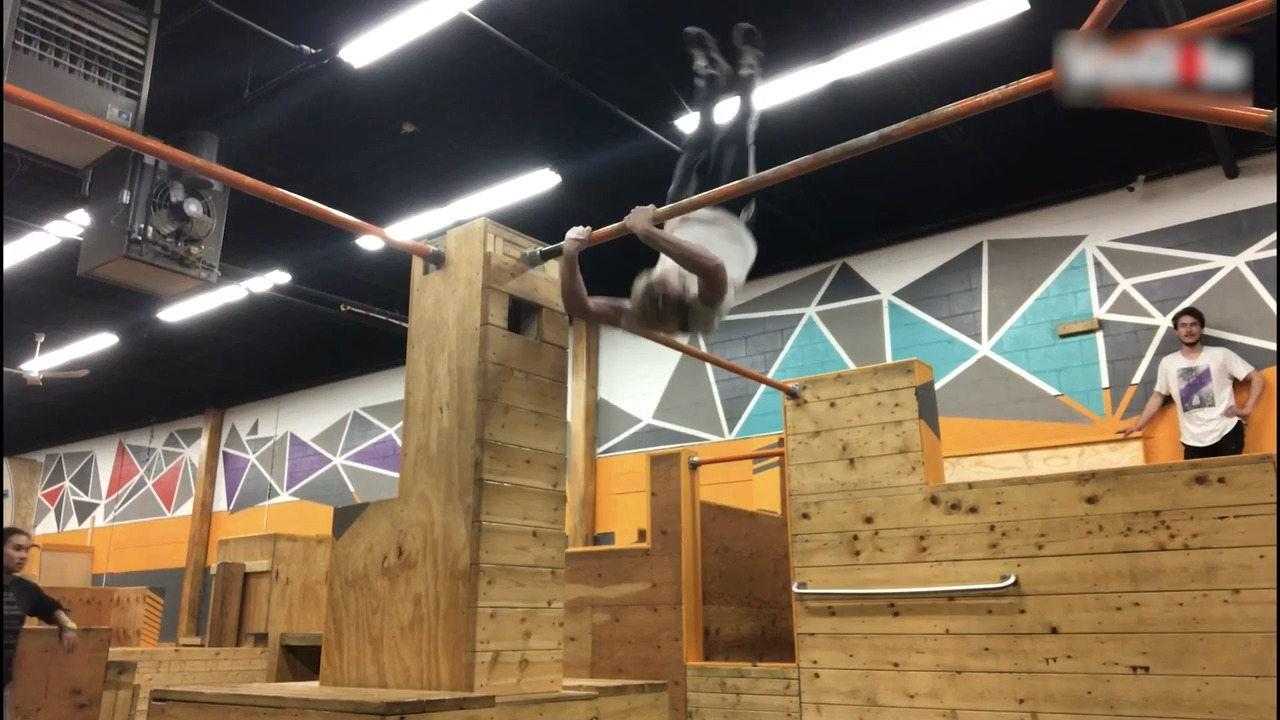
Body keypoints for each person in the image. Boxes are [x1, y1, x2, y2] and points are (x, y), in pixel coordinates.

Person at [561, 24, 763, 335]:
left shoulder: (640, 313)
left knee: (696, 143)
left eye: (664, 274)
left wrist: (570, 254)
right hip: (731, 222)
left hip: (681, 219)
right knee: (735, 138)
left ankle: (709, 79)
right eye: (680, 280)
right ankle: (750, 74)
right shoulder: (703, 313)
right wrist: (646, 232)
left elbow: (579, 308)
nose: (676, 272)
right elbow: (712, 267)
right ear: (685, 296)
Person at [1119, 307, 1266, 459]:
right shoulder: (1168, 363)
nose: (1188, 330)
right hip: (1192, 439)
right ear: (1176, 331)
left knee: (1228, 481)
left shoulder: (1221, 354)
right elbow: (1158, 397)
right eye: (1183, 326)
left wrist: (1248, 408)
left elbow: (1257, 378)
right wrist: (1138, 425)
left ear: (1201, 329)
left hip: (1226, 431)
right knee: (1196, 482)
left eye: (1193, 325)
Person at [4, 526, 79, 715]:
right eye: (17, 549)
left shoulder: (25, 590)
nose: (24, 556)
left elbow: (51, 607)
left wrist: (68, 626)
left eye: (27, 550)